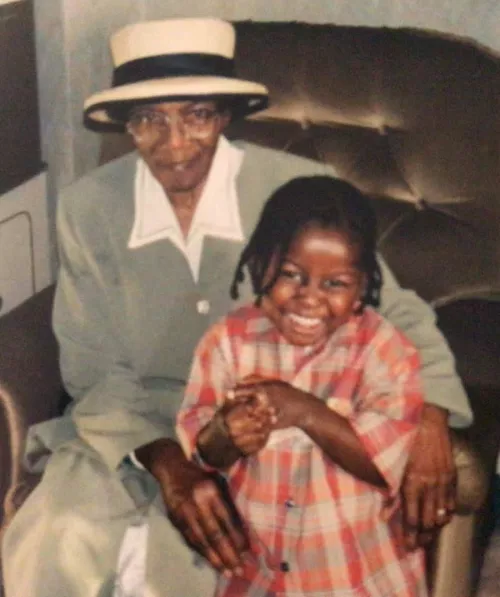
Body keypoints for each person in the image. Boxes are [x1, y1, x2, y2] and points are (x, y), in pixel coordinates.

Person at [1, 17, 471, 597]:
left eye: (195, 115)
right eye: (149, 119)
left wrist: (431, 419)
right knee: (53, 536)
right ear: (127, 125)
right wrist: (171, 466)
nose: (173, 145)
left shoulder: (298, 187)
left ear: (224, 115)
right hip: (123, 431)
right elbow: (92, 369)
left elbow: (395, 310)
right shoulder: (88, 207)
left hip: (256, 437)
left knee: (198, 565)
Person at [176, 175, 428, 596]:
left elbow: (384, 463)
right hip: (257, 577)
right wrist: (226, 433)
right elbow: (203, 454)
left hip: (356, 579)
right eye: (290, 274)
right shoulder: (227, 342)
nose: (309, 298)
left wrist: (306, 412)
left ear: (363, 287)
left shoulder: (385, 350)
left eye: (335, 284)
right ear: (261, 266)